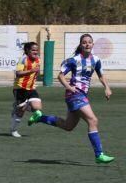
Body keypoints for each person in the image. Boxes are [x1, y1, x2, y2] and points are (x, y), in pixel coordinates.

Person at [29, 33, 114, 163]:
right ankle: (99, 155)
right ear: (80, 45)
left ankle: (39, 117)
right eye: (84, 42)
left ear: (93, 44)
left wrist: (107, 87)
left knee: (68, 126)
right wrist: (69, 87)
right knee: (93, 120)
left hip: (82, 95)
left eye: (89, 42)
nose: (87, 44)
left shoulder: (96, 60)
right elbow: (60, 76)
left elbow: (101, 75)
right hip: (74, 94)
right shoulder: (74, 60)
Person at [9, 41, 42, 138]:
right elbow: (18, 73)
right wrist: (31, 71)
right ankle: (13, 130)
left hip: (31, 88)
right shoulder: (23, 59)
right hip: (20, 88)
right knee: (21, 111)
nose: (35, 52)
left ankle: (21, 105)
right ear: (27, 50)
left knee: (38, 109)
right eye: (33, 50)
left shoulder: (38, 60)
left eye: (36, 50)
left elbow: (36, 73)